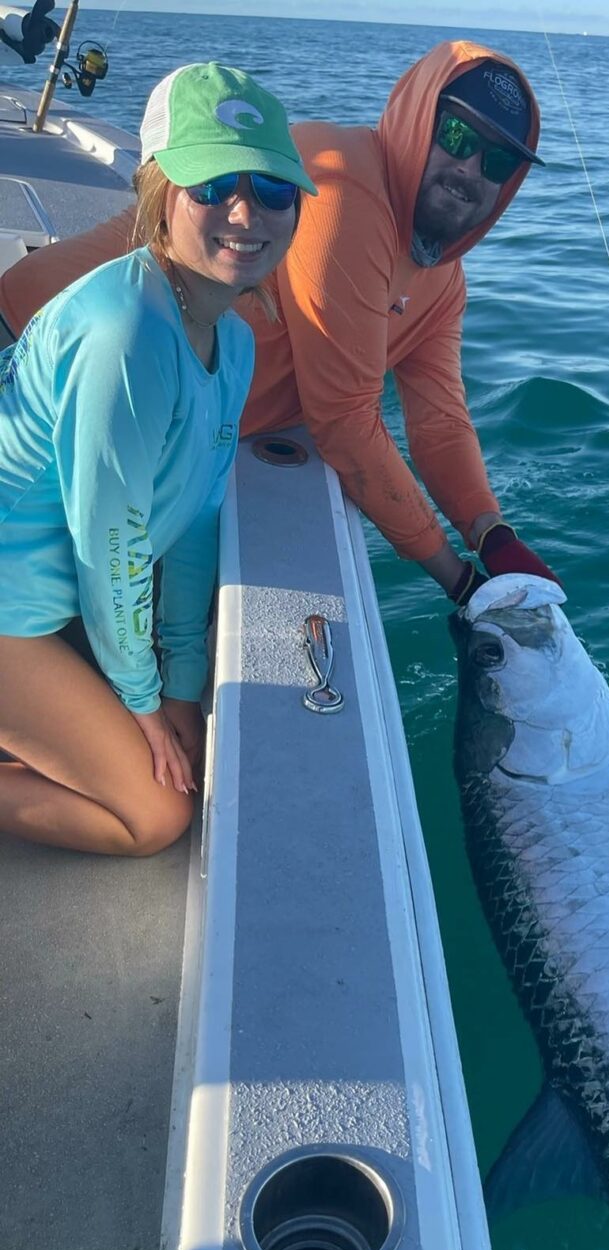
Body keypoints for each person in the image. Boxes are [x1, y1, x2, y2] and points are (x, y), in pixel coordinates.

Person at [0, 40, 558, 606]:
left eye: (497, 161)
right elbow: (344, 419)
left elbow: (440, 420)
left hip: (155, 432)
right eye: (457, 137)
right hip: (37, 371)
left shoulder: (443, 277)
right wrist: (462, 585)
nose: (469, 170)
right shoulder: (343, 188)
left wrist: (492, 535)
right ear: (418, 120)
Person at [0, 63, 317, 855]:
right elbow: (110, 547)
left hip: (54, 601)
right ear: (158, 191)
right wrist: (145, 705)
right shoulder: (124, 333)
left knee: (193, 744)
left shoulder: (235, 340)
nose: (244, 211)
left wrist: (180, 684)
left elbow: (192, 523)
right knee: (157, 817)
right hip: (17, 611)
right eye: (211, 184)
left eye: (271, 188)